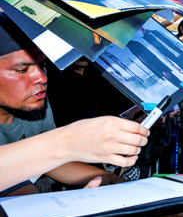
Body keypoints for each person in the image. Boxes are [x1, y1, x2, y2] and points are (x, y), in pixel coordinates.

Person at [0, 13, 148, 195]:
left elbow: (49, 159)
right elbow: (20, 200)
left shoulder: (35, 101)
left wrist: (109, 179)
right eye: (22, 70)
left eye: (43, 65)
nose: (42, 78)